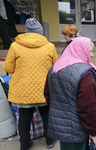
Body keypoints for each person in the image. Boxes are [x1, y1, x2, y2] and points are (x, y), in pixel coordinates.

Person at [3, 18, 58, 150]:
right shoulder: (49, 46)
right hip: (44, 89)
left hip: (23, 90)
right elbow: (55, 67)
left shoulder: (15, 46)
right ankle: (50, 141)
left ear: (26, 32)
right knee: (46, 115)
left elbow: (8, 68)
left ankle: (25, 145)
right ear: (40, 32)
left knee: (24, 118)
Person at [44, 37, 96, 150]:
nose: (92, 55)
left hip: (62, 130)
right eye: (89, 51)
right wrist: (93, 133)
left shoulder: (55, 67)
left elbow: (47, 95)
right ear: (80, 50)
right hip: (80, 131)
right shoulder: (86, 74)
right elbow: (87, 109)